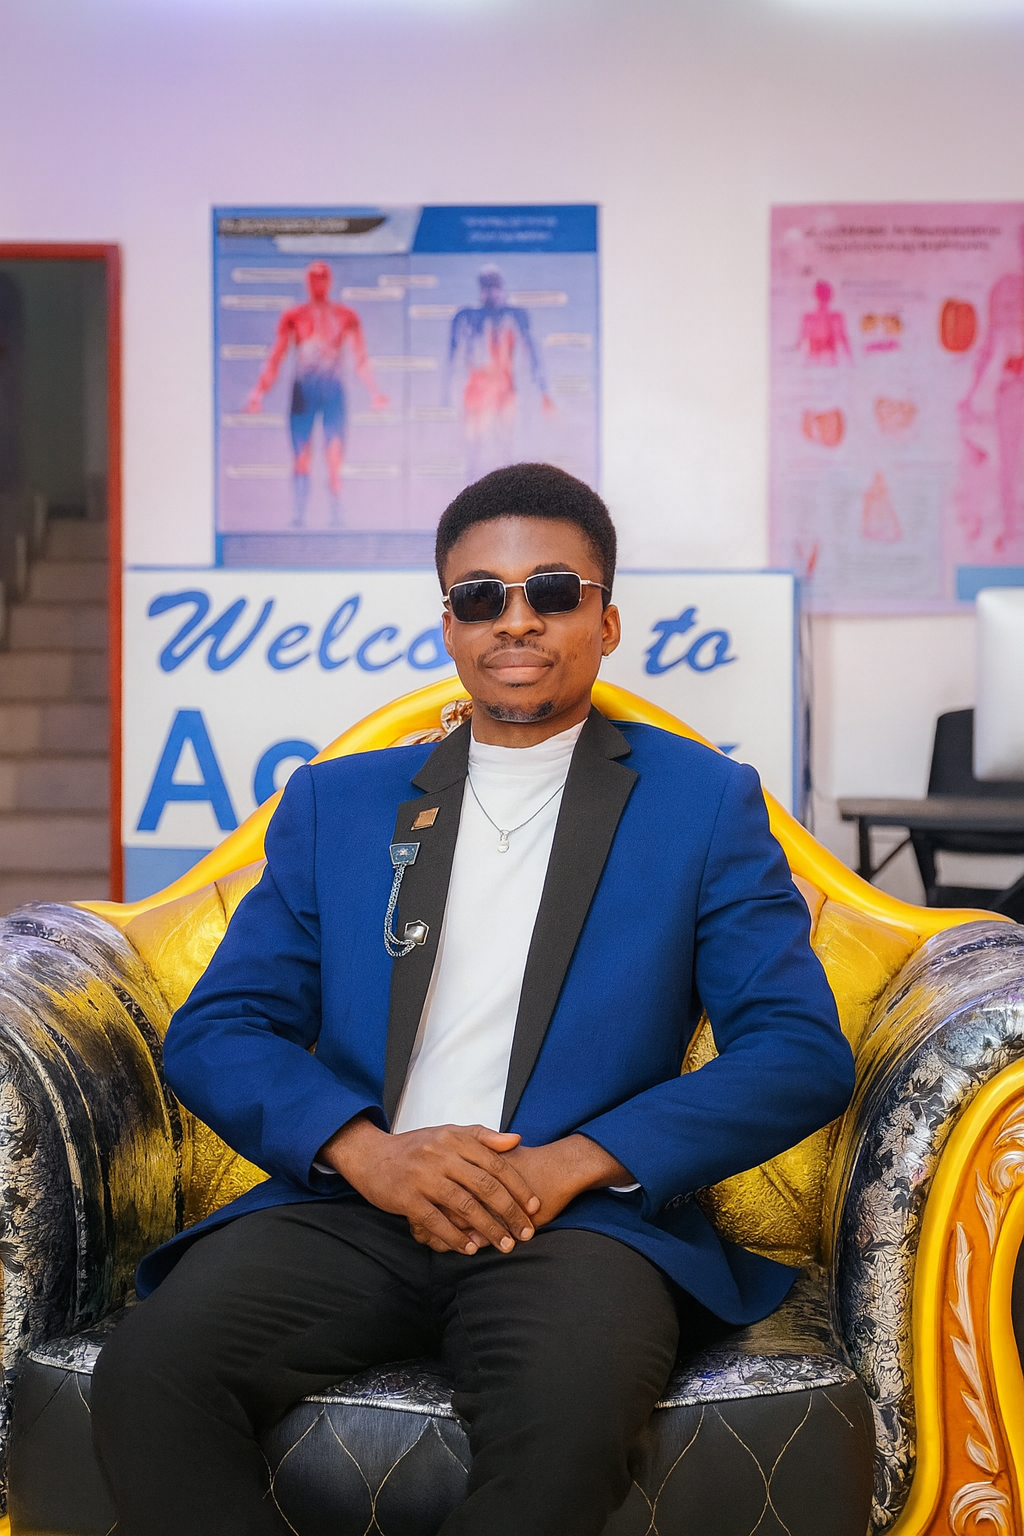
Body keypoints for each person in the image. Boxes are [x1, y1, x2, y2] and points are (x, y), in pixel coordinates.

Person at [91, 462, 854, 1536]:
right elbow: (221, 1029)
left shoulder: (702, 803)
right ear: (449, 624)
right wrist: (368, 1154)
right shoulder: (339, 803)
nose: (516, 619)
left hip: (581, 1224)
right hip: (356, 1205)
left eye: (553, 591)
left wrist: (571, 1162)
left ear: (606, 620)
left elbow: (795, 1051)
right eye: (481, 595)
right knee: (151, 1372)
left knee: (568, 1424)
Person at [245, 259, 389, 528]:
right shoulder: (294, 316)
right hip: (304, 390)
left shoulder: (345, 316)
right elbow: (277, 355)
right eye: (313, 279)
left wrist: (374, 392)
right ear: (307, 282)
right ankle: (299, 516)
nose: (317, 284)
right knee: (301, 456)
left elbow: (360, 357)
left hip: (332, 390)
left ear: (329, 281)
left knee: (334, 456)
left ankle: (336, 513)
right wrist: (258, 391)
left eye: (322, 279)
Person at [447, 265, 555, 478]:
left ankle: (504, 486)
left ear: (502, 288)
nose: (491, 293)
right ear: (481, 291)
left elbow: (531, 350)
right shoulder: (468, 317)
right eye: (486, 288)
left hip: (505, 390)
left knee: (505, 443)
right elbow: (454, 355)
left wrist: (542, 387)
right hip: (479, 391)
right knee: (476, 443)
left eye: (495, 287)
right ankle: (473, 486)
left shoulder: (515, 316)